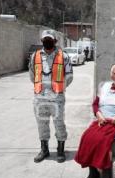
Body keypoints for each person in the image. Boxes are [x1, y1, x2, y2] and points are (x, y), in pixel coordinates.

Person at [28, 30, 73, 163]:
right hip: (39, 97)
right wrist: (40, 88)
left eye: (50, 39)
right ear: (42, 41)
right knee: (42, 124)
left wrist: (60, 88)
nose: (47, 41)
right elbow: (32, 75)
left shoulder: (63, 56)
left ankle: (60, 150)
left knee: (59, 124)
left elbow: (69, 76)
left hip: (57, 98)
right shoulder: (34, 56)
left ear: (55, 41)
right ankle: (44, 150)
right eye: (45, 39)